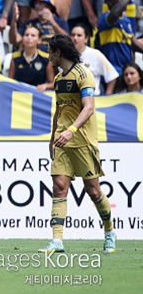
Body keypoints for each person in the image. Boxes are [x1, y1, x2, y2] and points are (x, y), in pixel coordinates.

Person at [40, 34, 116, 254]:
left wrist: (71, 130)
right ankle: (57, 240)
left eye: (50, 51)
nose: (48, 56)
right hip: (62, 139)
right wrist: (53, 137)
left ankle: (109, 232)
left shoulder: (84, 74)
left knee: (93, 190)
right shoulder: (58, 78)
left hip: (82, 140)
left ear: (58, 52)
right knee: (59, 187)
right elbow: (59, 110)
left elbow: (89, 107)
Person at [96, 0, 143, 74]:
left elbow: (133, 43)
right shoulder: (105, 19)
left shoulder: (126, 20)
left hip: (126, 71)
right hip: (112, 71)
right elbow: (114, 13)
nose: (124, 0)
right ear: (109, 2)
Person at [70, 25, 118, 95]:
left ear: (86, 39)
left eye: (79, 35)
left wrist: (107, 96)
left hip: (93, 98)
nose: (75, 38)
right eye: (73, 35)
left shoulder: (96, 54)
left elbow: (112, 75)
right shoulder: (64, 56)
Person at [8, 25, 54, 91]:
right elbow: (9, 81)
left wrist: (46, 86)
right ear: (22, 38)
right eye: (26, 35)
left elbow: (52, 83)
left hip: (37, 95)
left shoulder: (46, 59)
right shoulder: (15, 57)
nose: (29, 37)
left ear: (39, 40)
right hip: (18, 94)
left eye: (33, 35)